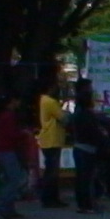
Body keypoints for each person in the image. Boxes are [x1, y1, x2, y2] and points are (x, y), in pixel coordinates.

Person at [0, 91, 37, 219]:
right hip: (7, 149)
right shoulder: (9, 115)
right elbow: (11, 134)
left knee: (8, 179)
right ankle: (2, 205)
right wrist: (24, 133)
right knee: (14, 179)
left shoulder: (0, 115)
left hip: (0, 149)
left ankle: (8, 208)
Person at [68, 81, 107, 214]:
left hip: (80, 146)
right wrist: (102, 139)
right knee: (87, 178)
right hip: (87, 148)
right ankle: (88, 204)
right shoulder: (86, 114)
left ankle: (83, 204)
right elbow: (92, 132)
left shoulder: (78, 112)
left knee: (82, 178)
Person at [36, 78, 69, 209]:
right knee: (52, 172)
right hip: (52, 139)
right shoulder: (50, 101)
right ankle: (50, 198)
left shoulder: (43, 100)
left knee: (50, 170)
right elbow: (63, 118)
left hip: (48, 139)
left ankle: (50, 197)